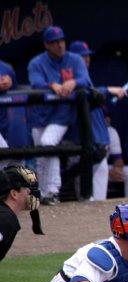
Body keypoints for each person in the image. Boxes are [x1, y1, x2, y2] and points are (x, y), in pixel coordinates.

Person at [28, 26, 91, 205]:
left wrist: (74, 82)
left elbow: (86, 80)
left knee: (49, 143)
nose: (60, 45)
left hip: (63, 113)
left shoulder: (74, 59)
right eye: (54, 42)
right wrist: (52, 85)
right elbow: (35, 83)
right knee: (41, 157)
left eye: (61, 41)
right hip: (40, 114)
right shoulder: (36, 63)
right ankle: (44, 194)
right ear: (47, 45)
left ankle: (53, 190)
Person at [68, 40, 128, 201]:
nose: (86, 59)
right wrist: (108, 90)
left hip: (99, 145)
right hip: (82, 146)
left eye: (87, 56)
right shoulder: (70, 80)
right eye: (82, 57)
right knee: (86, 199)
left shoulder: (87, 79)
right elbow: (84, 94)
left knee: (100, 201)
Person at [104, 112, 128, 198]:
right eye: (104, 117)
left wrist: (117, 169)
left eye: (108, 117)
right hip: (85, 169)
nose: (107, 119)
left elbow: (118, 159)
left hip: (104, 167)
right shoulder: (85, 130)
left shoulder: (111, 131)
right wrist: (107, 172)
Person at [0, 60, 17, 169]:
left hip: (4, 121)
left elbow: (16, 90)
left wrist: (10, 83)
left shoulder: (6, 67)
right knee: (4, 153)